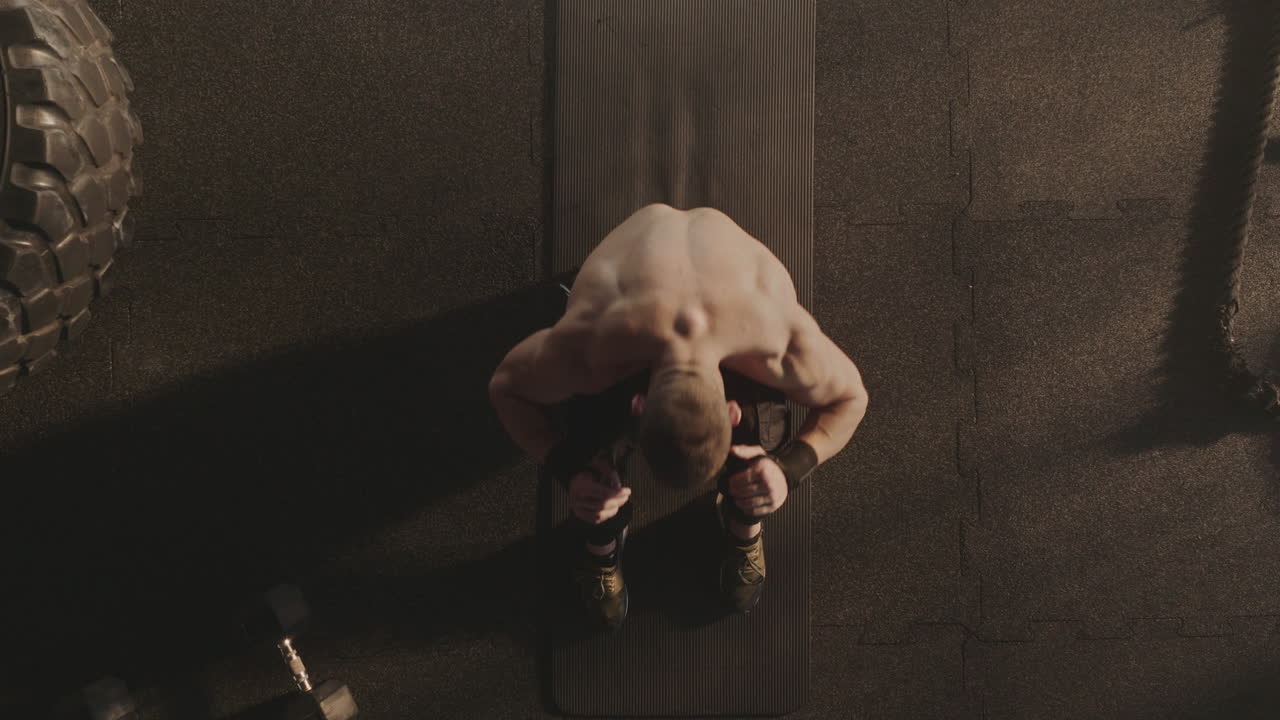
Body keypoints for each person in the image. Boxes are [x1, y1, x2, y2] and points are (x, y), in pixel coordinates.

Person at [489, 202, 869, 629]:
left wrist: (787, 470)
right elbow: (505, 388)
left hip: (721, 311)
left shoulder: (776, 338)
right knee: (589, 435)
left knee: (764, 439)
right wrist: (571, 468)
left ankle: (744, 517)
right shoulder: (591, 349)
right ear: (636, 405)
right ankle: (602, 538)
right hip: (631, 309)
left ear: (730, 412)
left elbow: (853, 398)